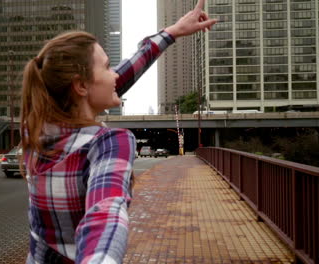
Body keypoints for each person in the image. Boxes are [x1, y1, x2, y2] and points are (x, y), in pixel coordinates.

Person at [20, 0, 217, 263]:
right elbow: (105, 212)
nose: (115, 74)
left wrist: (171, 32)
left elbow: (116, 78)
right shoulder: (109, 143)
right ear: (80, 86)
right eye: (107, 66)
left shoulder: (33, 130)